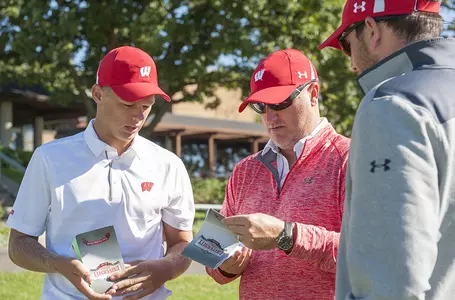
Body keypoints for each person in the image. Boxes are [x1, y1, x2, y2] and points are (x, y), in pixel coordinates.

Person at [6, 46, 195, 300]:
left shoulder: (168, 164)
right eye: (128, 103)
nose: (138, 116)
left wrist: (167, 267)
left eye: (146, 106)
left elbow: (182, 242)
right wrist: (56, 264)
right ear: (98, 94)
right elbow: (18, 244)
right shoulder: (49, 158)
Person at [319, 1, 455, 299]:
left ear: (371, 30)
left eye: (346, 44)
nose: (352, 63)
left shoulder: (393, 104)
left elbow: (392, 284)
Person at [206, 49, 350, 300]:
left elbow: (368, 255)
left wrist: (286, 236)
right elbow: (211, 258)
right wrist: (225, 266)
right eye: (261, 106)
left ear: (313, 94)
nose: (270, 117)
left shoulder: (350, 158)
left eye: (281, 102)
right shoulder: (245, 171)